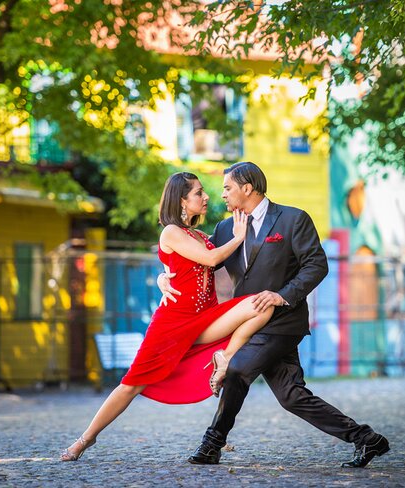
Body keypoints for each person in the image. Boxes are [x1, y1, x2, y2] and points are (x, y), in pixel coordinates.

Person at [158, 161, 390, 468]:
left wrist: (282, 295)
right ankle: (368, 439)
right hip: (249, 323)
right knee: (292, 396)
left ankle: (211, 444)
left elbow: (317, 265)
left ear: (247, 188)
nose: (222, 195)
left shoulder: (293, 219)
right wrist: (164, 276)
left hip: (283, 322)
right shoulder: (225, 228)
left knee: (237, 369)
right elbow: (197, 263)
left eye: (228, 188)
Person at [60, 172, 274, 462]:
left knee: (263, 304)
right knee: (131, 385)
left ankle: (224, 358)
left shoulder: (198, 235)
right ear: (182, 201)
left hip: (206, 318)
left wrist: (164, 275)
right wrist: (238, 238)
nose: (207, 196)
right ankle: (85, 439)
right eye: (199, 193)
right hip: (173, 324)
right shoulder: (170, 232)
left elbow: (187, 265)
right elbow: (210, 259)